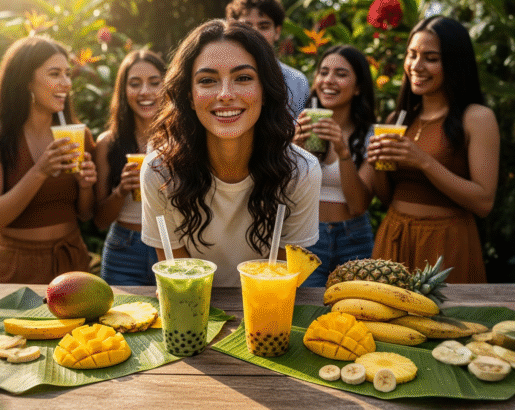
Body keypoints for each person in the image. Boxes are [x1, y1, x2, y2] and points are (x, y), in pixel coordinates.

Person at [140, 19, 321, 287]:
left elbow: (280, 285)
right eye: (207, 80)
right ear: (189, 95)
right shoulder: (160, 172)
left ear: (264, 90)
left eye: (243, 78)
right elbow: (181, 285)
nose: (225, 94)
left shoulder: (301, 171)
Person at [365, 16, 500, 283]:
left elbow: (484, 202)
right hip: (394, 238)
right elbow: (386, 197)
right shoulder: (397, 120)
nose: (416, 66)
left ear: (454, 62)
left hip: (445, 245)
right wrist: (377, 163)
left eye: (431, 58)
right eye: (412, 55)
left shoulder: (477, 118)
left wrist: (424, 162)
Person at [0, 36, 97, 284]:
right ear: (26, 81)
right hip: (15, 266)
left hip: (70, 263)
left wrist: (86, 187)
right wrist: (39, 171)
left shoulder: (77, 135)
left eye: (67, 74)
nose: (66, 83)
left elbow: (85, 214)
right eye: (55, 74)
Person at [293, 45, 376, 287]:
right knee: (307, 314)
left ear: (358, 87)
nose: (329, 80)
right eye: (323, 72)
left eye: (341, 74)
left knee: (359, 312)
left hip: (354, 237)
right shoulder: (297, 128)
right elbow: (283, 193)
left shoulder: (370, 137)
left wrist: (343, 151)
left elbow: (358, 204)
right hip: (306, 239)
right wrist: (294, 150)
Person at [93, 49, 166, 285]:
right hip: (123, 250)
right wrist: (121, 190)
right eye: (135, 84)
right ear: (124, 91)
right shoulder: (108, 143)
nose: (145, 91)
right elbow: (100, 221)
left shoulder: (183, 140)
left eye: (154, 83)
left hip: (172, 246)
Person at [226, 0, 310, 120]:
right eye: (246, 26)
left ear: (277, 32)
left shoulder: (297, 83)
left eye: (263, 26)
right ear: (232, 29)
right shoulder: (219, 80)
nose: (255, 33)